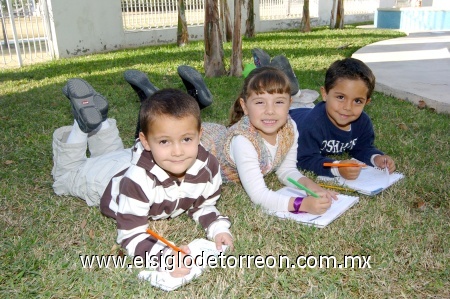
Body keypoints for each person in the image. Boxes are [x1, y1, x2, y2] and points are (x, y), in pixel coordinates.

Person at [52, 79, 233, 277]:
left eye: (186, 139)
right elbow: (130, 233)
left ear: (200, 134)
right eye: (165, 141)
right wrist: (164, 256)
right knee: (65, 177)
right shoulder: (138, 180)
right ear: (145, 141)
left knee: (112, 154)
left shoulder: (208, 167)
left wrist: (218, 229)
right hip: (106, 180)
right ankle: (82, 124)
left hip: (128, 158)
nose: (178, 151)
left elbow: (203, 205)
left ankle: (102, 122)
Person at [202, 66, 338, 215]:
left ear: (290, 103)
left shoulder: (290, 128)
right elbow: (259, 195)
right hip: (202, 147)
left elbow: (287, 170)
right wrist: (302, 204)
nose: (270, 110)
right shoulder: (243, 141)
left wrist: (312, 187)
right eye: (260, 102)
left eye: (279, 102)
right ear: (245, 106)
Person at [289, 58, 396, 180]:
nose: (347, 107)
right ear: (325, 94)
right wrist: (337, 168)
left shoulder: (363, 123)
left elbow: (362, 148)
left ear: (366, 102)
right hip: (293, 116)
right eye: (340, 97)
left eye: (357, 101)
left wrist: (376, 158)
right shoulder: (312, 125)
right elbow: (304, 159)